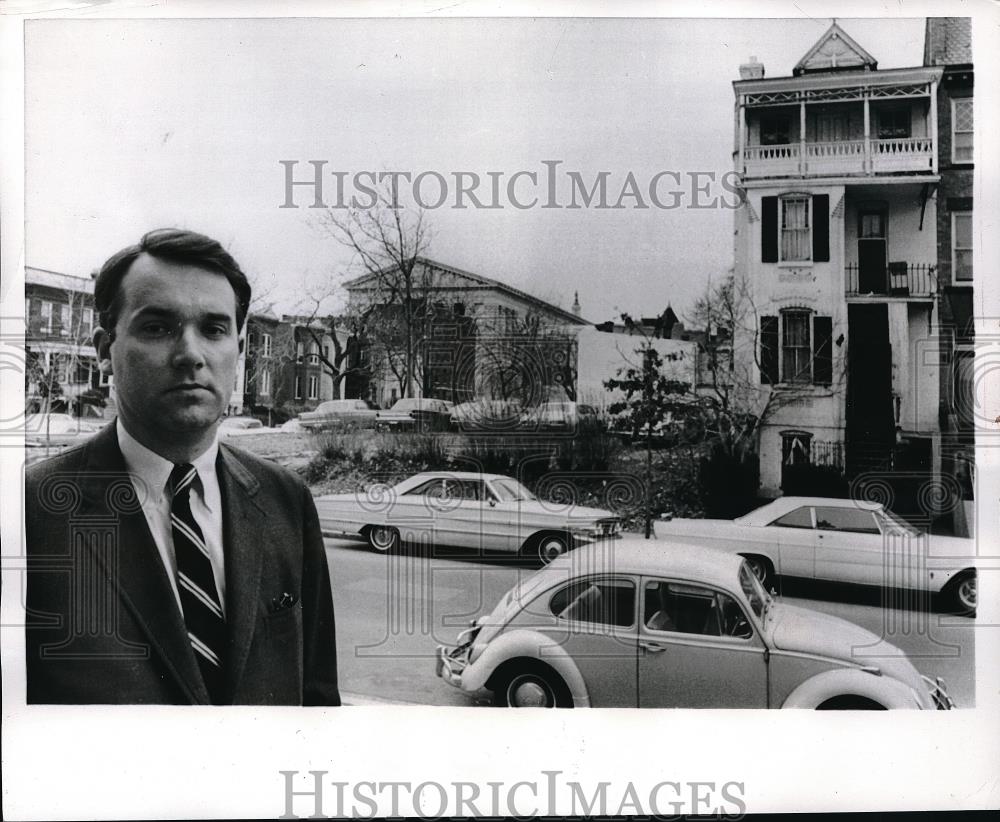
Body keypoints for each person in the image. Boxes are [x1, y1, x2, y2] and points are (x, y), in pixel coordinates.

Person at [24, 228, 341, 705]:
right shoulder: (29, 511)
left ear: (237, 347)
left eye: (214, 329)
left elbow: (318, 704)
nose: (191, 354)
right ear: (103, 350)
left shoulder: (286, 500)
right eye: (157, 327)